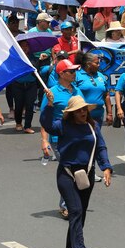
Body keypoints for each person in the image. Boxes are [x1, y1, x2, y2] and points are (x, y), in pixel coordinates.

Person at [40, 93, 112, 248]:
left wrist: (106, 167)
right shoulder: (62, 125)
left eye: (84, 110)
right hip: (67, 174)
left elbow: (101, 148)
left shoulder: (93, 127)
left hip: (87, 174)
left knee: (81, 212)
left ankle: (70, 245)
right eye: (79, 111)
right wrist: (49, 106)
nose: (83, 113)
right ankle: (80, 247)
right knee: (75, 209)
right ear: (71, 113)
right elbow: (46, 124)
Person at [41, 59, 84, 218]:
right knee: (69, 171)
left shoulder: (77, 91)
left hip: (78, 137)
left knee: (76, 171)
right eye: (71, 71)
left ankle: (72, 202)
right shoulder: (51, 92)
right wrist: (44, 140)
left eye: (75, 71)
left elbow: (84, 114)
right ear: (61, 74)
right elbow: (44, 118)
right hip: (58, 139)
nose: (74, 74)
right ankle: (67, 205)